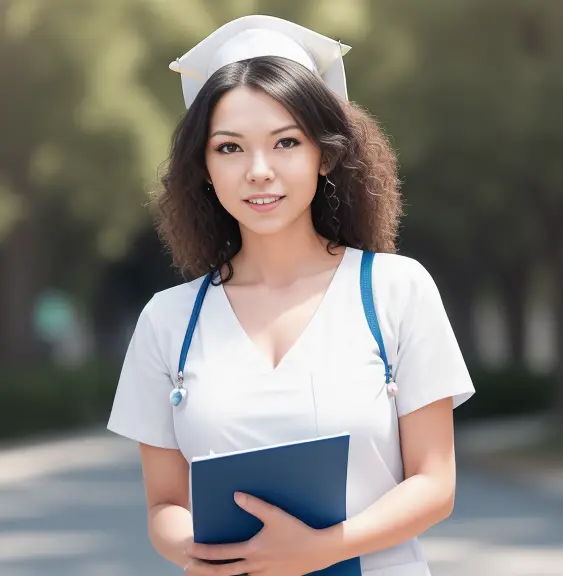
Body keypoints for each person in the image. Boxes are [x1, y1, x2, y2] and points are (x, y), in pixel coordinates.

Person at [107, 14, 475, 576]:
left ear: (324, 155)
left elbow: (435, 483)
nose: (259, 171)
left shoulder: (396, 291)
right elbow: (165, 504)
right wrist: (200, 551)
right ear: (203, 167)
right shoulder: (168, 320)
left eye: (286, 142)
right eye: (229, 148)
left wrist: (322, 549)